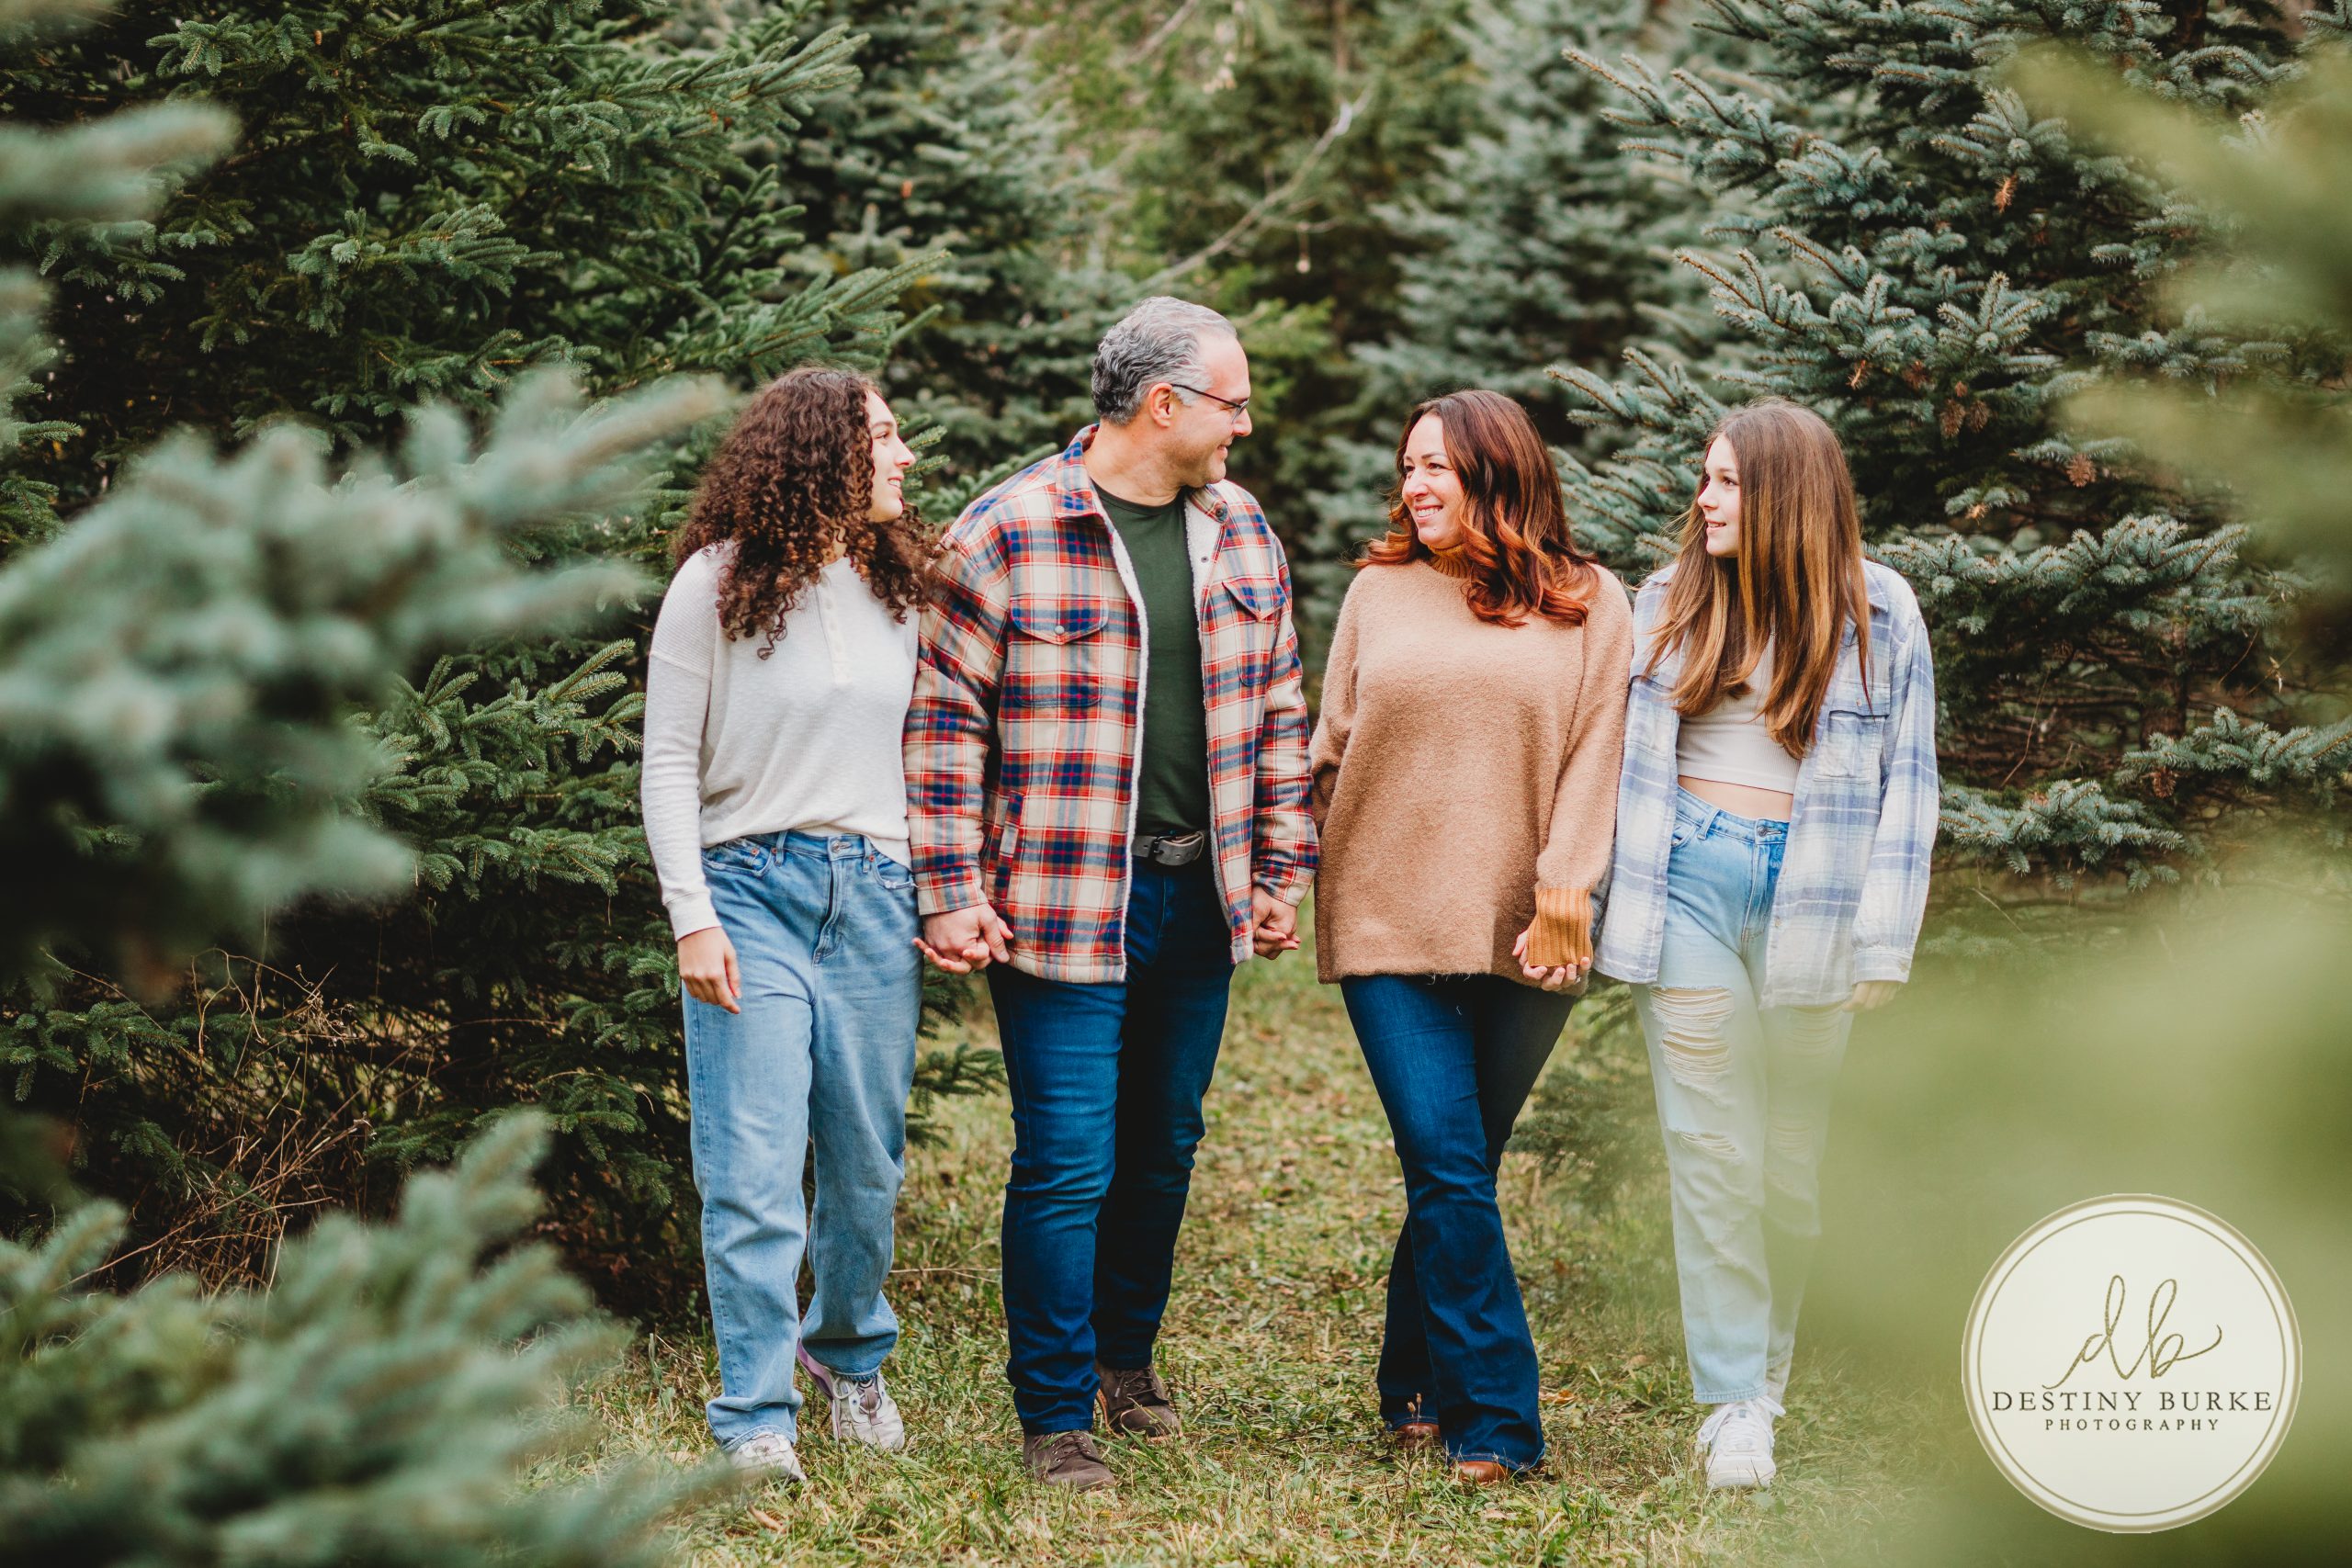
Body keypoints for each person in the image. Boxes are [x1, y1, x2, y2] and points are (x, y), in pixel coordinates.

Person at [903, 297, 1317, 1490]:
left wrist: (1281, 866)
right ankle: (1054, 1412)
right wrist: (948, 888)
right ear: (1164, 404)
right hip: (1064, 897)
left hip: (1201, 894)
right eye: (1232, 401)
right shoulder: (1006, 532)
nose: (1246, 423)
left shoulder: (1241, 533)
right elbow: (940, 730)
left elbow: (1279, 711)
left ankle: (1123, 1364)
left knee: (1165, 1145)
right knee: (1067, 1157)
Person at [1592, 397, 1939, 1490]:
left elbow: (1909, 787)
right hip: (1687, 882)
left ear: (1788, 493)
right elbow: (1616, 765)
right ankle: (1734, 1402)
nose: (1704, 501)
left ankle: (1766, 1378)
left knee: (1786, 1161)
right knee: (1710, 1152)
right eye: (1706, 479)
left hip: (1818, 903)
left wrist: (1883, 943)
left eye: (1727, 483)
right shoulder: (1668, 600)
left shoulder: (1882, 611)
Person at [1308, 389, 1633, 1485]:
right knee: (1446, 1163)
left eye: (1436, 466)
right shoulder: (1377, 593)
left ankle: (1409, 1378)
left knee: (1460, 1167)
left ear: (1501, 471)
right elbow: (1327, 746)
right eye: (1407, 467)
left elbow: (1600, 754)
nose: (1413, 485)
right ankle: (1496, 1421)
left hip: (1532, 928)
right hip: (1384, 918)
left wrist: (1564, 889)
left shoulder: (1590, 602)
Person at [640, 366, 927, 1483]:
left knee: (865, 1168)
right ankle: (756, 1415)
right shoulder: (713, 585)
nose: (905, 457)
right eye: (887, 439)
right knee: (753, 1170)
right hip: (746, 891)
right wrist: (691, 918)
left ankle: (847, 1358)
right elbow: (667, 760)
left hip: (875, 897)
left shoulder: (901, 584)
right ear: (826, 454)